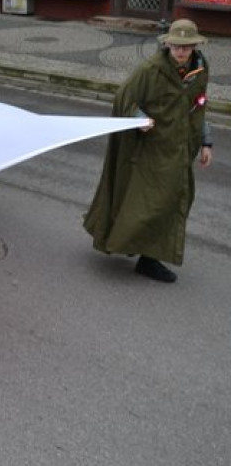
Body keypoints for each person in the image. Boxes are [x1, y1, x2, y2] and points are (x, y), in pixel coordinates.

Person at [83, 19, 213, 283]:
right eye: (176, 46)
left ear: (195, 46)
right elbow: (125, 98)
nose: (181, 51)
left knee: (173, 202)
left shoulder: (200, 70)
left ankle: (147, 257)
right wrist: (139, 117)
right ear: (167, 43)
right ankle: (146, 257)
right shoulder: (150, 69)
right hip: (152, 149)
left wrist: (206, 141)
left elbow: (198, 106)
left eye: (186, 47)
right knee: (150, 204)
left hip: (180, 149)